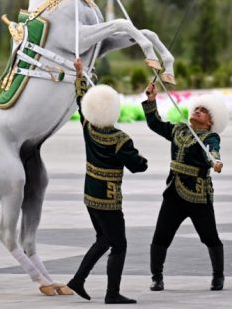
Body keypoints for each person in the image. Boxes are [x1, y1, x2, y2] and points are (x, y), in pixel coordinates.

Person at [66, 58, 149, 305]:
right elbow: (138, 166)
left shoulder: (88, 127)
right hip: (109, 199)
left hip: (90, 195)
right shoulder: (120, 139)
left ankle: (78, 280)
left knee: (103, 239)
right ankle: (112, 293)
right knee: (119, 245)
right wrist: (142, 159)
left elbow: (81, 101)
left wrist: (79, 75)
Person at [142, 80, 228, 292]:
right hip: (173, 193)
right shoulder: (179, 130)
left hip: (198, 195)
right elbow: (155, 124)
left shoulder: (210, 137)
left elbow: (212, 152)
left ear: (210, 122)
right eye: (196, 108)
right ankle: (157, 277)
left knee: (210, 237)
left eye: (203, 111)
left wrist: (215, 161)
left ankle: (218, 276)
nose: (198, 111)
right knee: (160, 237)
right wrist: (151, 100)